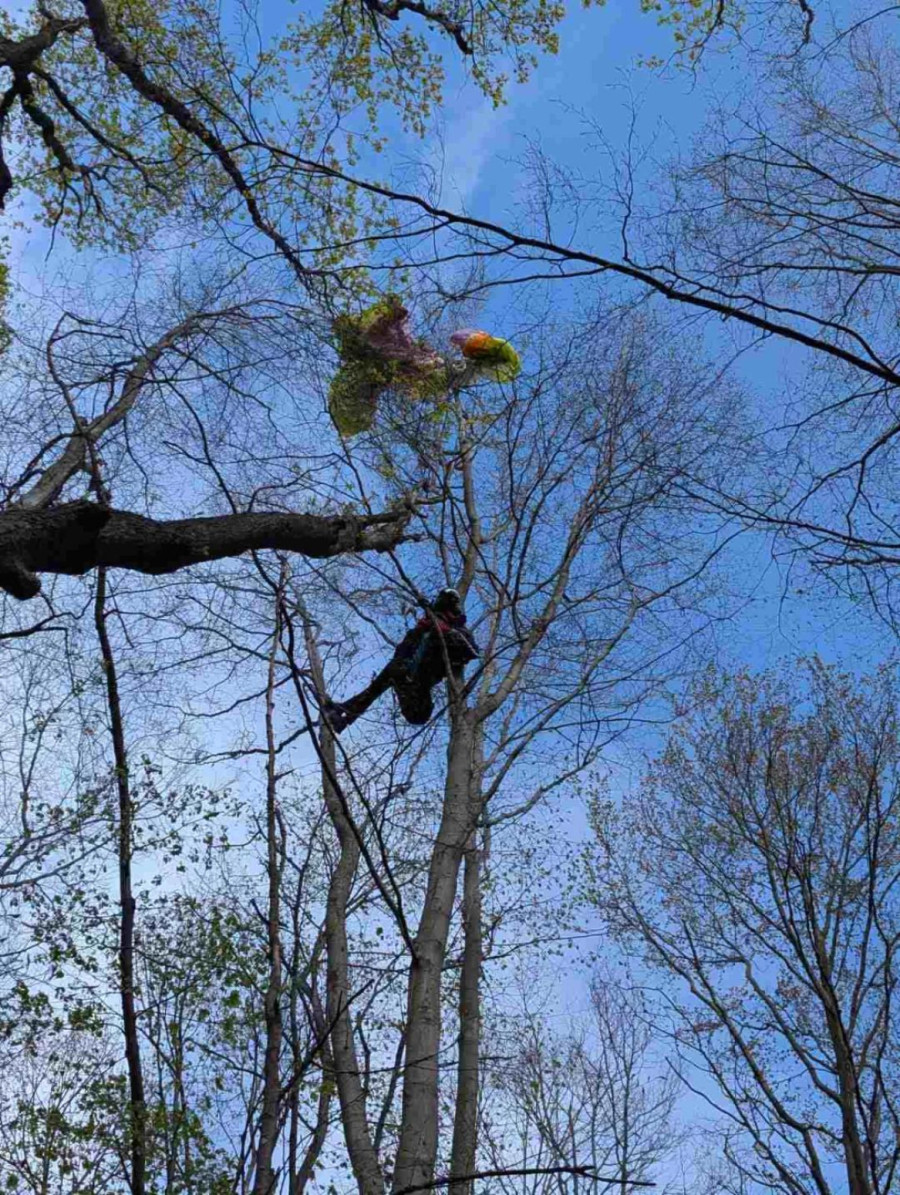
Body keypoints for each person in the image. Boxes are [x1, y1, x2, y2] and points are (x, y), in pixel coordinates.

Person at [323, 588, 479, 733]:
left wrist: (443, 631)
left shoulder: (457, 631)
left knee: (399, 674)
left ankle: (345, 711)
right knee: (390, 673)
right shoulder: (417, 634)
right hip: (407, 680)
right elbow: (400, 655)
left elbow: (471, 651)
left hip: (421, 694)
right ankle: (344, 717)